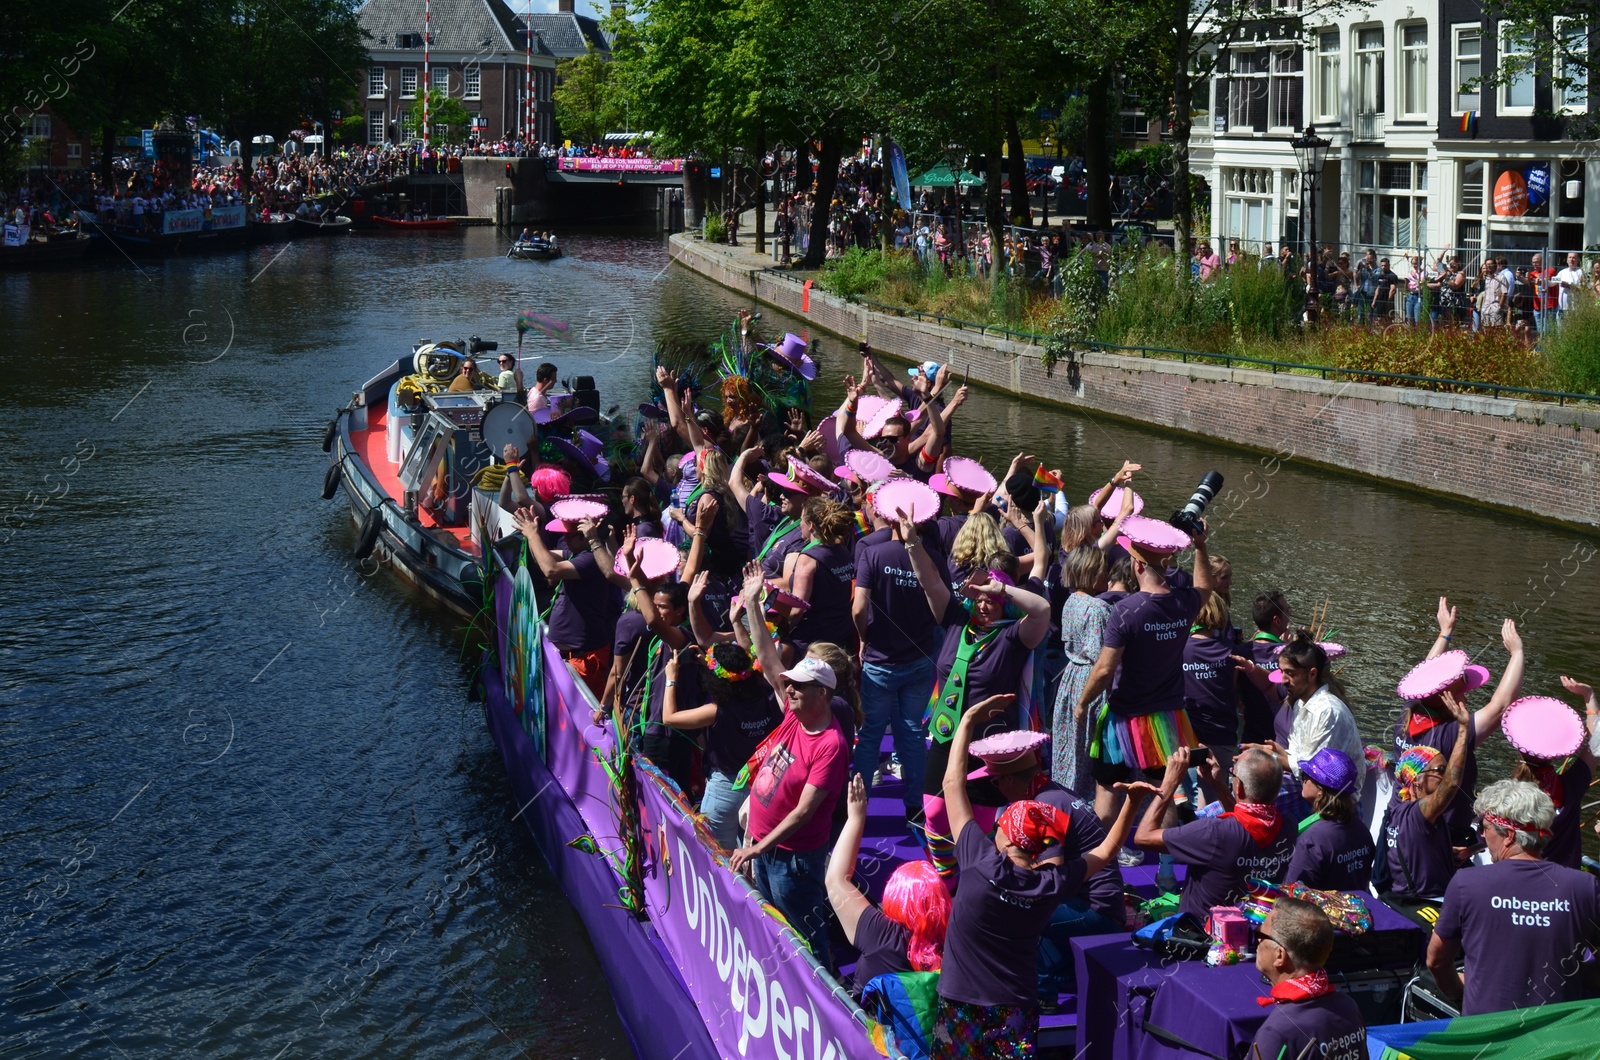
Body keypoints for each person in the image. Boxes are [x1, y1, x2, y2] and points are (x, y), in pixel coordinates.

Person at [933, 696, 1154, 1058]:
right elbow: (1102, 853)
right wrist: (1130, 805)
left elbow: (951, 782)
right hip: (1016, 1006)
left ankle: (1049, 986)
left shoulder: (978, 862)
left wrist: (968, 717)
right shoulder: (1047, 883)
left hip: (966, 999)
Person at [901, 506, 1051, 878]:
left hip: (989, 742)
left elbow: (1043, 610)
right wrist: (912, 543)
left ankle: (980, 876)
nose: (983, 604)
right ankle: (948, 877)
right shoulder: (955, 619)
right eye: (979, 598)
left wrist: (1001, 587)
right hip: (948, 732)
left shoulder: (1013, 636)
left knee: (982, 819)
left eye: (991, 599)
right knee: (934, 812)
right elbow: (930, 581)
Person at [730, 571, 849, 970]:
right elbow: (766, 658)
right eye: (790, 684)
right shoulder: (796, 713)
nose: (790, 688)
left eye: (799, 685)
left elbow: (804, 812)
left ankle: (828, 1007)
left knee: (805, 934)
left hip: (792, 859)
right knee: (778, 925)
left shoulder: (830, 744)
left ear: (823, 694)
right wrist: (751, 602)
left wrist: (758, 848)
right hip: (765, 847)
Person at [1427, 780, 1600, 1015]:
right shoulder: (1584, 886)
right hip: (1556, 1037)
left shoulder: (1466, 883)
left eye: (1484, 828)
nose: (1483, 837)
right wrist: (1583, 977)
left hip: (1487, 1035)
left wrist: (1458, 992)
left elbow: (1436, 961)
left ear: (1508, 835)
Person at [851, 490, 941, 822]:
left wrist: (863, 638)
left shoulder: (873, 555)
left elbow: (859, 607)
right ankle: (915, 805)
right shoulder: (931, 556)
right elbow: (941, 608)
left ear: (887, 517)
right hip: (919, 659)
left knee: (872, 731)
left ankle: (857, 808)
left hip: (880, 659)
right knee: (912, 731)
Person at [827, 774, 951, 997]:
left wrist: (856, 818)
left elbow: (836, 879)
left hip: (872, 1027)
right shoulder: (952, 940)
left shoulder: (881, 934)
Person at [1135, 746, 1294, 918]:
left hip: (1204, 934)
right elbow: (1249, 821)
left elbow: (1143, 837)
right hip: (1255, 925)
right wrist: (1218, 785)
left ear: (1239, 787)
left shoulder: (1213, 832)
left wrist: (1170, 783)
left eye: (1232, 773)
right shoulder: (1289, 826)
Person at [661, 642, 782, 851]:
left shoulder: (717, 710)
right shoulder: (770, 695)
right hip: (764, 787)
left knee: (718, 856)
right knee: (755, 855)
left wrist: (671, 679)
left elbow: (669, 718)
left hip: (725, 788)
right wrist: (708, 663)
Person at [1382, 688, 1472, 914]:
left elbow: (1417, 847)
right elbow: (1452, 784)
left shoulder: (1402, 810)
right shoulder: (1419, 813)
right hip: (1428, 905)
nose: (1444, 775)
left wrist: (1444, 852)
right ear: (1417, 780)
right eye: (1440, 769)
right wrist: (1463, 730)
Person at [513, 509, 617, 700]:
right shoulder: (575, 553)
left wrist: (533, 535)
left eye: (569, 536)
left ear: (584, 536)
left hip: (583, 658)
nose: (564, 539)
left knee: (586, 711)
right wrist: (531, 536)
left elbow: (551, 570)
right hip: (567, 656)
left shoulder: (591, 559)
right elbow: (545, 556)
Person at [1250, 897, 1367, 1060]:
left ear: (1279, 955)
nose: (1258, 940)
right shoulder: (1348, 1006)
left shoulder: (1276, 1032)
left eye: (1261, 934)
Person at [1242, 632, 1360, 781]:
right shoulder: (1300, 703)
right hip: (1307, 784)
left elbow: (1318, 769)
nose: (1283, 680)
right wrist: (1278, 753)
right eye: (1281, 671)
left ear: (1312, 674)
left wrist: (1271, 756)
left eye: (1290, 673)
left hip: (1333, 797)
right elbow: (1300, 755)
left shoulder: (1328, 710)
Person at [1508, 677, 1598, 870]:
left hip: (1519, 878)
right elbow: (1596, 743)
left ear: (1519, 748)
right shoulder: (1572, 786)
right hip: (1565, 881)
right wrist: (1589, 695)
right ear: (1556, 754)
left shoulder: (1506, 797)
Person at [1052, 545, 1113, 800]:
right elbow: (1103, 659)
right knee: (1090, 747)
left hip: (1070, 679)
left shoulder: (1071, 601)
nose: (1107, 574)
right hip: (1090, 680)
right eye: (1102, 569)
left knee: (1071, 745)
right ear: (1090, 572)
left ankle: (1066, 797)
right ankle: (1091, 802)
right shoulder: (1097, 607)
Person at [1285, 748, 1374, 891]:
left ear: (1320, 790)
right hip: (1357, 909)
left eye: (1305, 775)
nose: (1303, 780)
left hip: (1323, 912)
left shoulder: (1312, 839)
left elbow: (1291, 892)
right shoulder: (1361, 829)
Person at [1181, 593, 1241, 804]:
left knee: (1191, 794)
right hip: (1223, 733)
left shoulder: (1181, 649)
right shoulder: (1230, 651)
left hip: (1189, 734)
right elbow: (1231, 691)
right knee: (1216, 793)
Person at [1238, 591, 1292, 745]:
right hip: (1283, 741)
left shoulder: (1240, 652)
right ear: (1276, 620)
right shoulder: (1290, 655)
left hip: (1249, 737)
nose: (1289, 616)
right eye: (1288, 611)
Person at [1554, 251, 1585, 318]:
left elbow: (1583, 288)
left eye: (1574, 258)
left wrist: (1569, 286)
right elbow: (1552, 282)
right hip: (1562, 308)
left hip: (1575, 308)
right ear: (1567, 260)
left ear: (1577, 260)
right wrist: (1544, 281)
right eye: (1570, 257)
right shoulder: (1562, 272)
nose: (1571, 259)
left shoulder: (1580, 272)